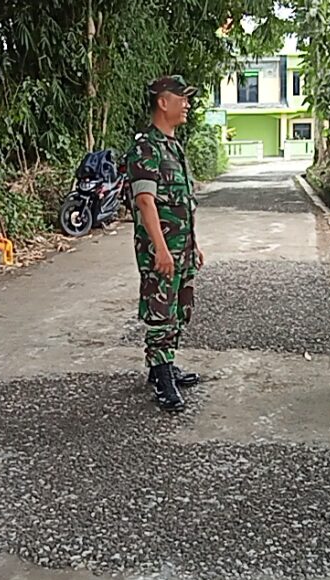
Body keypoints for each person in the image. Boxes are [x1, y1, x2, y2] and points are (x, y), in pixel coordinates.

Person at [125, 75, 205, 411]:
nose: (186, 104)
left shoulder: (173, 146)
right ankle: (161, 375)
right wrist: (160, 247)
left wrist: (193, 245)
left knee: (178, 308)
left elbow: (183, 203)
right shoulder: (147, 148)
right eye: (181, 98)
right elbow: (145, 201)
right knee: (161, 311)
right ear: (163, 102)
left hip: (180, 248)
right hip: (161, 249)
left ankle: (165, 364)